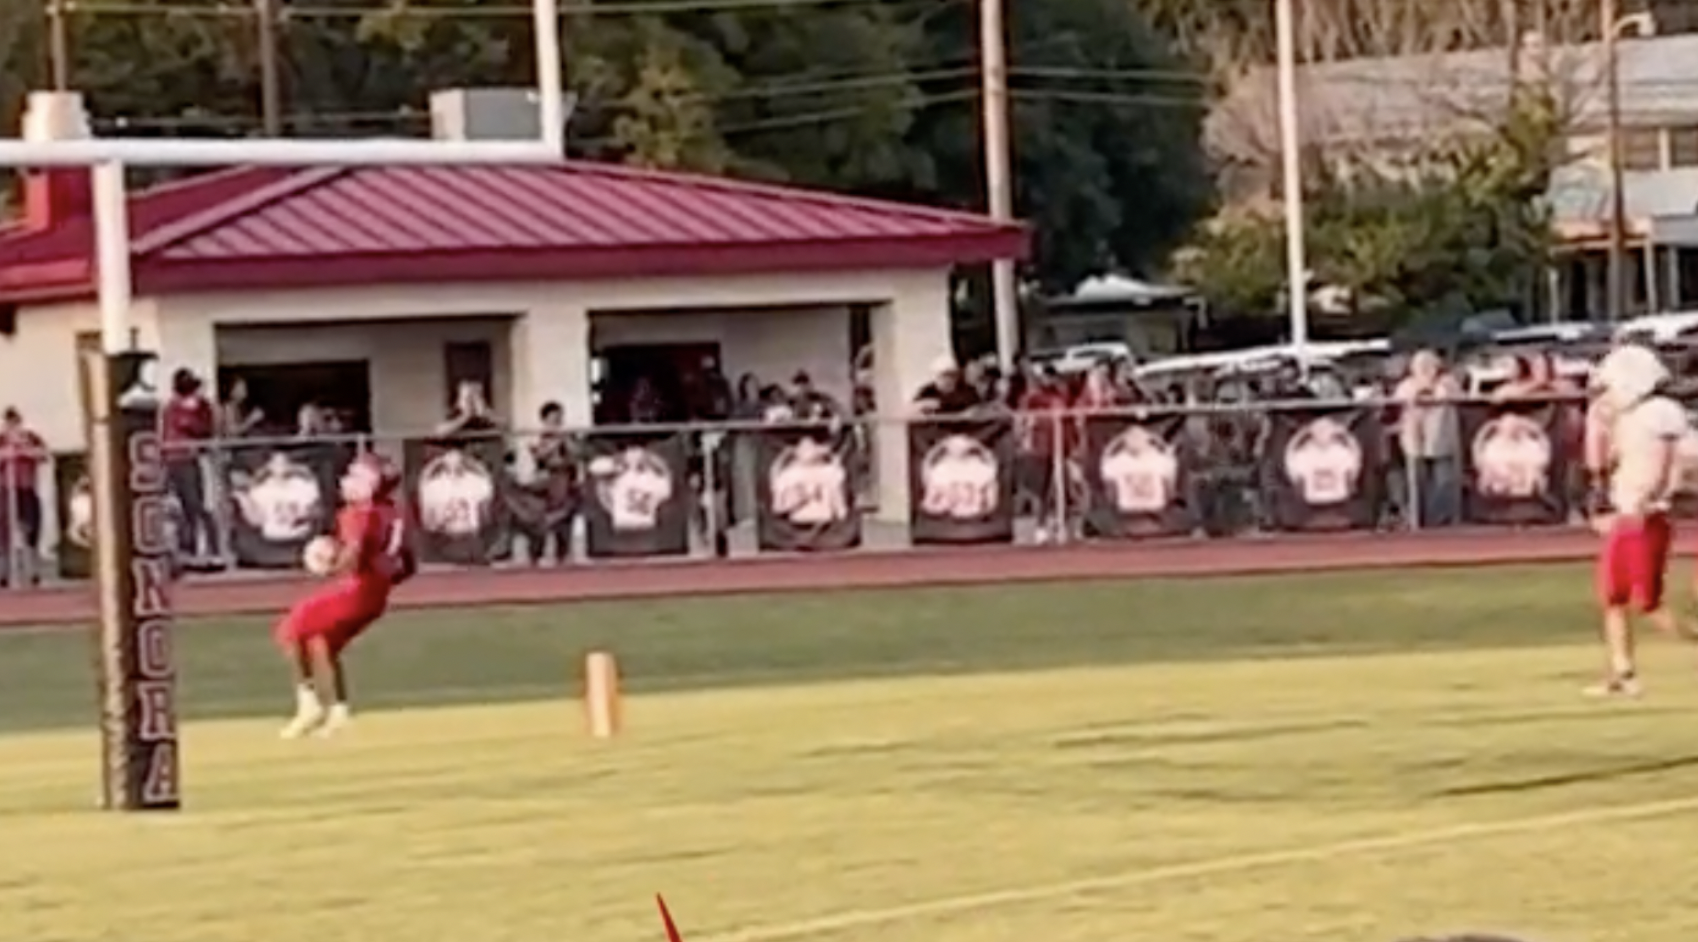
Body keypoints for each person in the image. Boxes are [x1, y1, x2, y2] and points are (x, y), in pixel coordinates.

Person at [273, 455, 416, 738]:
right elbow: (408, 564)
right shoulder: (392, 512)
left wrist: (331, 565)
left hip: (356, 588)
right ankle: (339, 712)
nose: (347, 480)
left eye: (356, 476)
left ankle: (308, 703)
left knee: (291, 628)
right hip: (377, 594)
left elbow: (355, 554)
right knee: (320, 640)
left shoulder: (358, 513)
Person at [1586, 343, 1698, 698]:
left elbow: (1667, 462)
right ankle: (1623, 672)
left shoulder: (1659, 413)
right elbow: (1610, 459)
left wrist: (1649, 498)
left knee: (1648, 603)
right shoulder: (1630, 417)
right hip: (1627, 512)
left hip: (1645, 515)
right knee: (1612, 596)